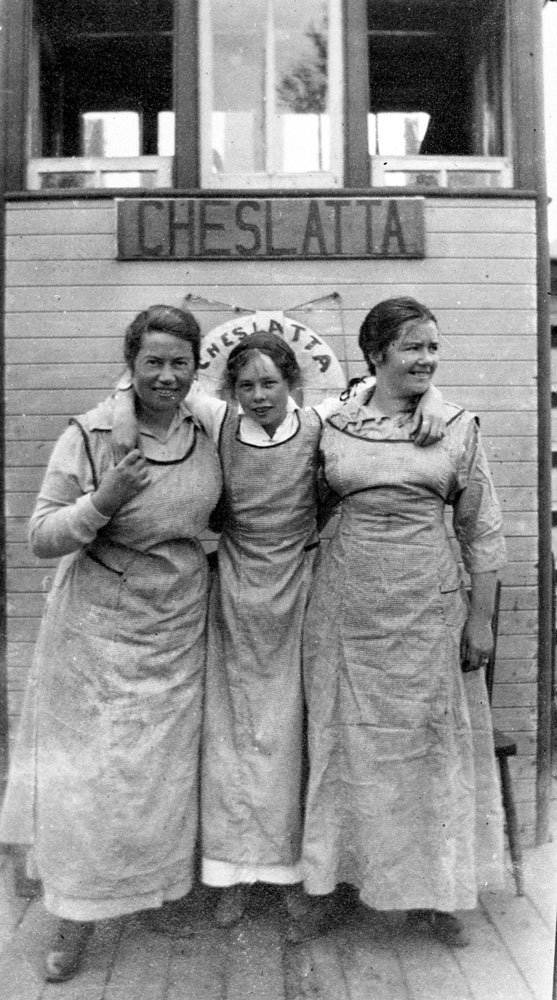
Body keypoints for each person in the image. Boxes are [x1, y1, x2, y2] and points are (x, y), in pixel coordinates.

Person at [111, 328, 447, 930]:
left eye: (270, 382)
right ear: (230, 390)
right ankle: (233, 875)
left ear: (293, 383)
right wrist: (118, 416)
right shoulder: (217, 422)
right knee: (234, 735)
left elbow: (394, 387)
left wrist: (431, 404)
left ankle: (296, 874)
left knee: (296, 732)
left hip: (304, 589)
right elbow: (144, 386)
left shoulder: (322, 422)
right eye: (246, 385)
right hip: (236, 593)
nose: (259, 395)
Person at [0, 305, 223, 981]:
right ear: (130, 364)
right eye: (152, 361)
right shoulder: (92, 434)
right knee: (93, 782)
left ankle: (153, 893)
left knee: (159, 776)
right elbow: (41, 536)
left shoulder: (208, 424)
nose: (166, 375)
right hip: (98, 632)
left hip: (178, 622)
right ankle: (74, 917)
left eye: (179, 362)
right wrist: (105, 500)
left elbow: (288, 418)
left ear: (195, 366)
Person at [286, 297, 506, 948]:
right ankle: (333, 885)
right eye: (413, 347)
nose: (426, 359)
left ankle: (436, 896)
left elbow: (484, 532)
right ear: (376, 353)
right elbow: (301, 505)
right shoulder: (332, 423)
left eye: (433, 348)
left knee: (429, 749)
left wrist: (481, 621)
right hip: (345, 605)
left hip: (427, 606)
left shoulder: (456, 427)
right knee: (343, 743)